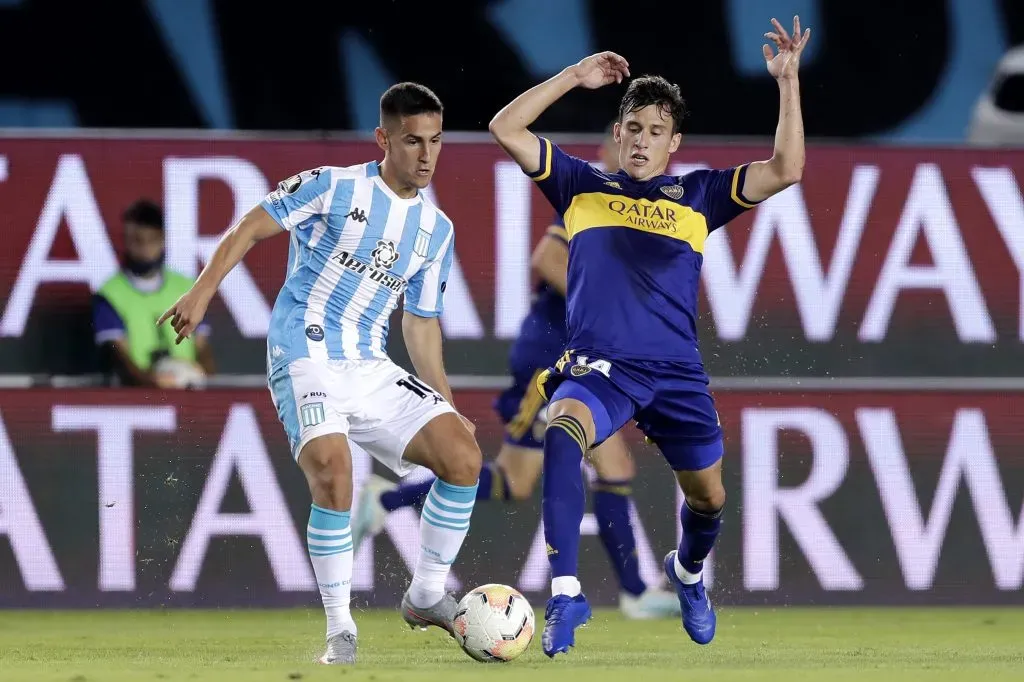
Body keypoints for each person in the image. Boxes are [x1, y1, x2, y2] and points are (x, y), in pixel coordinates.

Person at [489, 16, 809, 656]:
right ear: (617, 133)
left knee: (709, 498)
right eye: (633, 128)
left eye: (655, 131)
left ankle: (687, 573)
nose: (641, 141)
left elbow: (788, 168)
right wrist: (574, 77)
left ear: (674, 142)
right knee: (562, 428)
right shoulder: (581, 184)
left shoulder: (700, 195)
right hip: (603, 368)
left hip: (677, 376)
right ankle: (569, 592)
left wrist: (788, 82)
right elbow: (505, 127)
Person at [158, 83, 483, 665]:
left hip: (369, 365)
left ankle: (427, 594)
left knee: (463, 456)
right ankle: (341, 629)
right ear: (383, 139)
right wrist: (203, 290)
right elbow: (250, 227)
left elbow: (422, 324)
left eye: (436, 141)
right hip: (303, 353)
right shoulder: (333, 185)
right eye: (412, 141)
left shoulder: (437, 230)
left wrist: (447, 402)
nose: (427, 155)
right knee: (335, 470)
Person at [352, 125, 679, 621]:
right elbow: (548, 259)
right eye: (627, 136)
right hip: (553, 360)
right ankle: (634, 592)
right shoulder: (594, 200)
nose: (638, 149)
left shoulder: (647, 218)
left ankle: (390, 498)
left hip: (578, 358)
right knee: (615, 467)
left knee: (514, 481)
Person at [92, 199, 215, 388]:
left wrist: (202, 378)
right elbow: (118, 356)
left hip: (188, 390)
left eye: (151, 240)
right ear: (126, 241)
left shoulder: (187, 287)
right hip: (138, 395)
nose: (145, 249)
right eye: (137, 241)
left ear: (162, 239)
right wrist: (152, 385)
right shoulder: (110, 294)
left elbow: (202, 348)